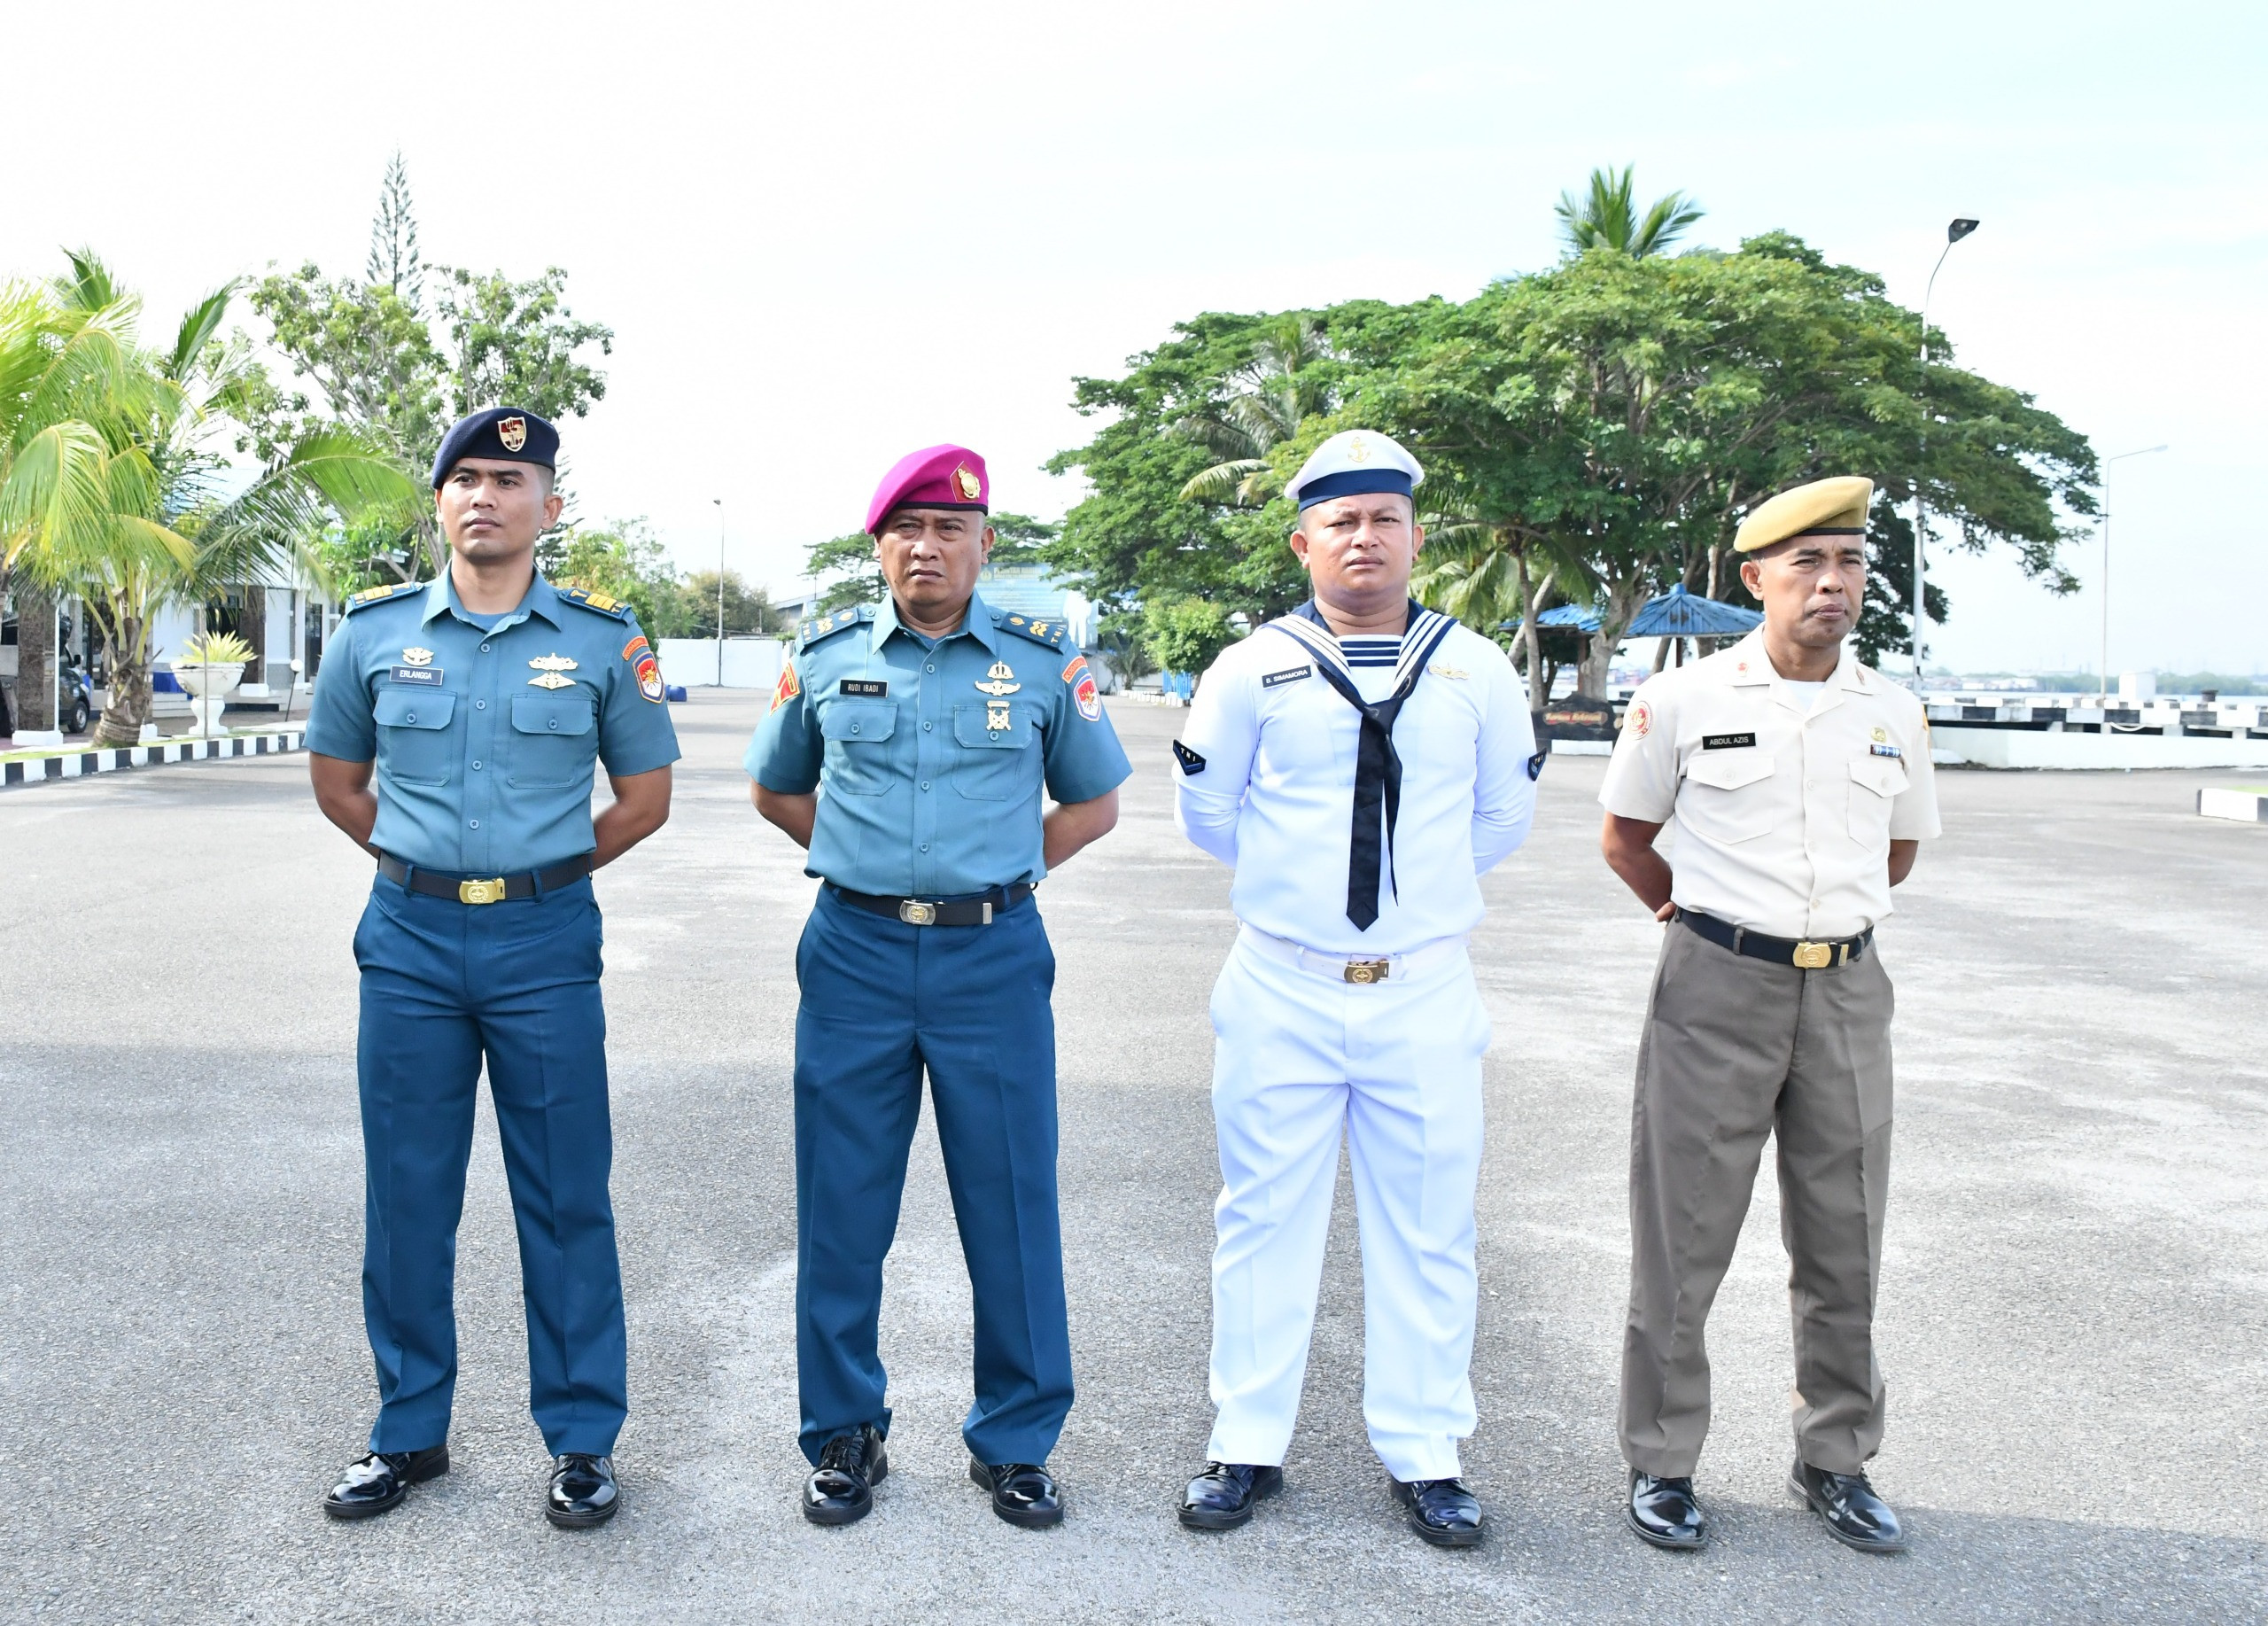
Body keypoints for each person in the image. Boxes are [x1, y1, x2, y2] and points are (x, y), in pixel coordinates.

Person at [305, 408, 678, 1529]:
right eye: (463, 478)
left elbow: (644, 799)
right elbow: (339, 783)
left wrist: (533, 875)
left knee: (566, 1195)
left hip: (544, 946)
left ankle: (578, 1439)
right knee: (408, 1194)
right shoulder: (367, 635)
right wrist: (432, 868)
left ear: (548, 508)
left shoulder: (607, 643)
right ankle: (407, 1429)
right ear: (438, 503)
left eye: (508, 479)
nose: (484, 496)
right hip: (410, 944)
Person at [745, 444, 1130, 1530]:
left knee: (1010, 1202)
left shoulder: (1043, 663)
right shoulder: (820, 659)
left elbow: (1092, 805)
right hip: (854, 955)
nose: (927, 546)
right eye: (907, 528)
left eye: (949, 528)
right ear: (879, 547)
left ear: (983, 545)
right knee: (842, 1204)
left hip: (991, 958)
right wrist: (871, 866)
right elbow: (779, 790)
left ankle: (1014, 1439)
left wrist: (996, 870)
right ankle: (842, 1433)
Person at [1168, 429, 1540, 1547]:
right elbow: (1209, 810)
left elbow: (1500, 817)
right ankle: (1245, 1442)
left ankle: (1426, 1453)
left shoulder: (1476, 666)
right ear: (1303, 541)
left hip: (1420, 987)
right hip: (1280, 983)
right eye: (1340, 521)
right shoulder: (1252, 665)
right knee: (1262, 1215)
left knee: (1429, 1227)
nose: (1363, 537)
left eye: (1384, 518)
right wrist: (1302, 905)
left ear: (1417, 536)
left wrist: (1409, 905)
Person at [1597, 476, 1940, 1555]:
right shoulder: (1685, 700)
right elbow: (1623, 836)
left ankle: (1833, 1458)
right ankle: (1661, 1461)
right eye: (1808, 564)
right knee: (1682, 1234)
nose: (1833, 583)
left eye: (1848, 563)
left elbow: (1898, 849)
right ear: (1756, 579)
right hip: (1715, 985)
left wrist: (1820, 928)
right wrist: (1693, 916)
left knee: (1844, 1235)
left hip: (1844, 989)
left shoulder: (1890, 707)